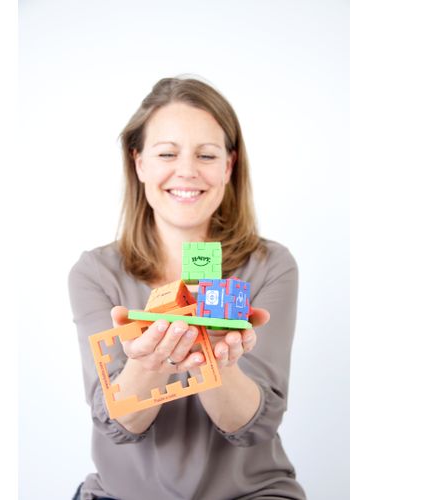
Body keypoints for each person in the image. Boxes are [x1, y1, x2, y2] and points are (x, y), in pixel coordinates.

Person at [68, 76, 306, 500]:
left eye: (206, 155)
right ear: (139, 163)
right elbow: (119, 424)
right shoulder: (95, 272)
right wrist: (150, 364)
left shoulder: (271, 265)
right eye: (167, 153)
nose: (187, 171)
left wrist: (214, 357)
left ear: (228, 166)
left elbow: (252, 427)